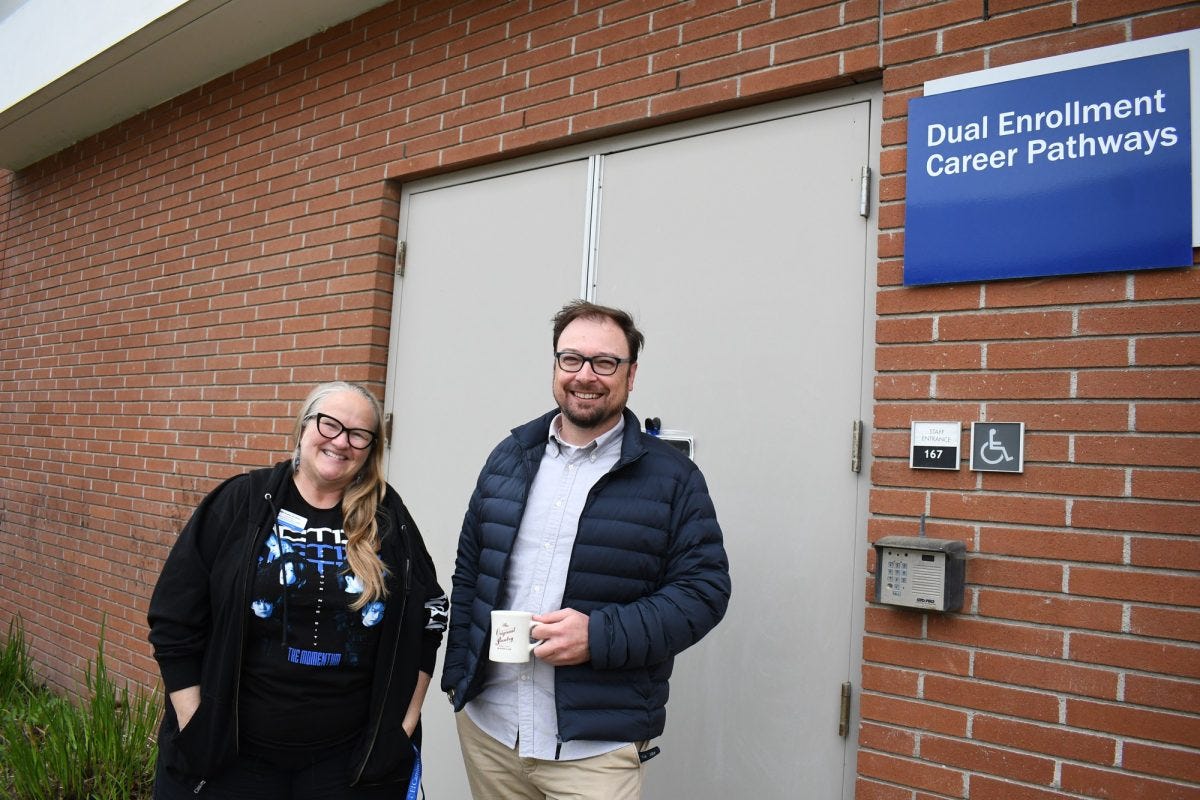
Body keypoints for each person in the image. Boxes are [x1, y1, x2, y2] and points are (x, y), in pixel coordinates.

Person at [441, 300, 732, 800]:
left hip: (592, 751)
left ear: (631, 374)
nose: (585, 376)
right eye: (571, 359)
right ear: (556, 366)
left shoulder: (673, 478)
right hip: (490, 730)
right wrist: (457, 678)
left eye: (605, 362)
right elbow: (471, 572)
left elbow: (703, 593)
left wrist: (598, 635)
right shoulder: (509, 457)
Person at [148, 381, 448, 799]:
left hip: (344, 767)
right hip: (232, 758)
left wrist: (404, 724)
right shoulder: (243, 502)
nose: (341, 441)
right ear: (304, 428)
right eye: (329, 425)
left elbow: (431, 615)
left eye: (358, 434)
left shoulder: (388, 519)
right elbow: (174, 615)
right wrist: (194, 722)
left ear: (371, 448)